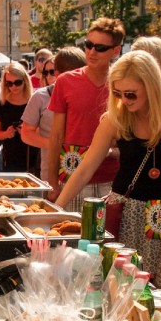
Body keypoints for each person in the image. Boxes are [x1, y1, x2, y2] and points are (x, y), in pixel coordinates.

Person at [56, 51, 161, 276]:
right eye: (117, 93)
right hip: (125, 210)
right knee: (121, 280)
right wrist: (57, 208)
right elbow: (86, 168)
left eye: (131, 94)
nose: (124, 100)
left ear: (151, 86)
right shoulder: (116, 117)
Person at [48, 17, 124, 211]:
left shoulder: (123, 85)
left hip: (111, 179)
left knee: (105, 240)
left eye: (100, 48)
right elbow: (56, 136)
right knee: (69, 237)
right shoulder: (65, 81)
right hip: (71, 177)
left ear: (116, 50)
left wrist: (114, 151)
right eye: (88, 45)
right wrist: (51, 182)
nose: (91, 52)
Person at [22, 48, 86, 185]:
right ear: (59, 74)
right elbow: (26, 133)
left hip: (85, 173)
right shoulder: (40, 96)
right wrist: (54, 145)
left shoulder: (89, 94)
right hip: (52, 174)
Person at [0, 62, 33, 172]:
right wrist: (6, 134)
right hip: (10, 159)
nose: (13, 87)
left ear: (25, 81)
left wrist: (27, 131)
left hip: (33, 157)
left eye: (17, 82)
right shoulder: (1, 105)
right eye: (9, 84)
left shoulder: (34, 102)